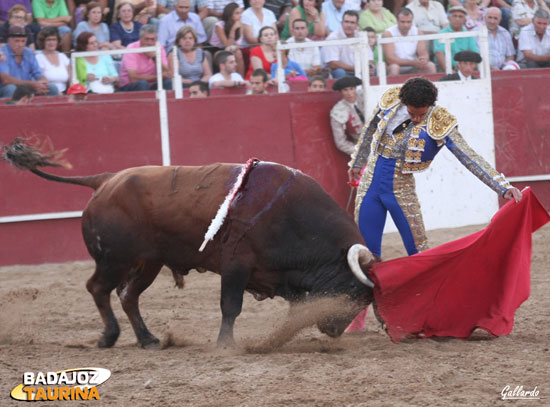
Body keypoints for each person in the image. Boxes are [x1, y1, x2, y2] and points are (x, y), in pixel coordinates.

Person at [348, 77, 522, 261]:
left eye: (421, 115)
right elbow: (370, 128)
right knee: (366, 249)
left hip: (400, 188)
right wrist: (357, 162)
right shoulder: (392, 99)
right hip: (370, 182)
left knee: (418, 250)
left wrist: (502, 187)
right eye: (411, 113)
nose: (415, 119)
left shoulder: (440, 121)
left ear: (431, 105)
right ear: (404, 102)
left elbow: (469, 156)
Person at [0, 25, 58, 97]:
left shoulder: (29, 52)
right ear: (8, 41)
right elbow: (6, 80)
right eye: (17, 41)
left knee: (52, 88)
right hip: (6, 89)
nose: (20, 44)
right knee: (11, 88)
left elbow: (38, 74)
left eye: (23, 41)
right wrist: (33, 84)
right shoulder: (2, 52)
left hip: (27, 88)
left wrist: (43, 83)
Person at [382, 8, 436, 76]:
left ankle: (429, 87)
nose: (406, 25)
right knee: (394, 67)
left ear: (412, 21)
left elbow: (423, 53)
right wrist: (413, 62)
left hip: (413, 66)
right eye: (402, 22)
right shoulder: (389, 33)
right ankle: (393, 87)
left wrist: (423, 59)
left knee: (430, 66)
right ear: (397, 21)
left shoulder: (418, 32)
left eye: (408, 22)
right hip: (395, 66)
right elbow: (390, 59)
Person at [119, 24, 173, 91]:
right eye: (146, 39)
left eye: (152, 39)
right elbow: (133, 79)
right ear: (140, 38)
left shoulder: (159, 48)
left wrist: (154, 58)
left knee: (169, 82)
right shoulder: (131, 48)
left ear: (156, 39)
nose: (149, 43)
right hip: (129, 86)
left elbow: (166, 72)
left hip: (151, 84)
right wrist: (158, 77)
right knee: (143, 84)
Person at [323, 10, 373, 78]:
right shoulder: (333, 37)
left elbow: (369, 58)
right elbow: (333, 64)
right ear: (342, 23)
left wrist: (369, 66)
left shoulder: (361, 36)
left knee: (373, 70)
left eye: (352, 23)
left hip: (359, 70)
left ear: (357, 25)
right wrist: (356, 68)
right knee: (339, 72)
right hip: (343, 71)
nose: (349, 25)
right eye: (346, 22)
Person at [433, 6, 480, 72]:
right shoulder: (442, 33)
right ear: (449, 18)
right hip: (446, 68)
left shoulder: (468, 34)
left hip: (466, 67)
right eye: (454, 16)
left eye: (460, 16)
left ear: (465, 20)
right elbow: (439, 53)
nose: (457, 19)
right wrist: (451, 71)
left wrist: (466, 66)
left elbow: (475, 52)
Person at [330, 75, 364, 155]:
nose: (349, 93)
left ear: (355, 89)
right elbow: (340, 142)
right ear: (340, 92)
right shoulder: (338, 110)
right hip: (362, 145)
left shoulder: (365, 97)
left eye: (352, 89)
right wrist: (359, 152)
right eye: (345, 90)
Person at [209, 2, 245, 76]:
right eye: (237, 13)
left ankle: (241, 78)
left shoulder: (241, 25)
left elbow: (239, 44)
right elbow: (226, 44)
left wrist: (232, 48)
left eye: (240, 13)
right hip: (218, 49)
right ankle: (225, 78)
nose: (240, 16)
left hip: (233, 48)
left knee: (238, 53)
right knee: (227, 54)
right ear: (230, 14)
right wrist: (233, 30)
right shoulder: (219, 25)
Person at [35, 26, 70, 93]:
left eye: (54, 39)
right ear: (43, 41)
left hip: (65, 93)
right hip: (47, 93)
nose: (51, 42)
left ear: (58, 41)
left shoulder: (62, 56)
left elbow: (70, 78)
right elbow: (41, 80)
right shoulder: (38, 57)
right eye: (48, 40)